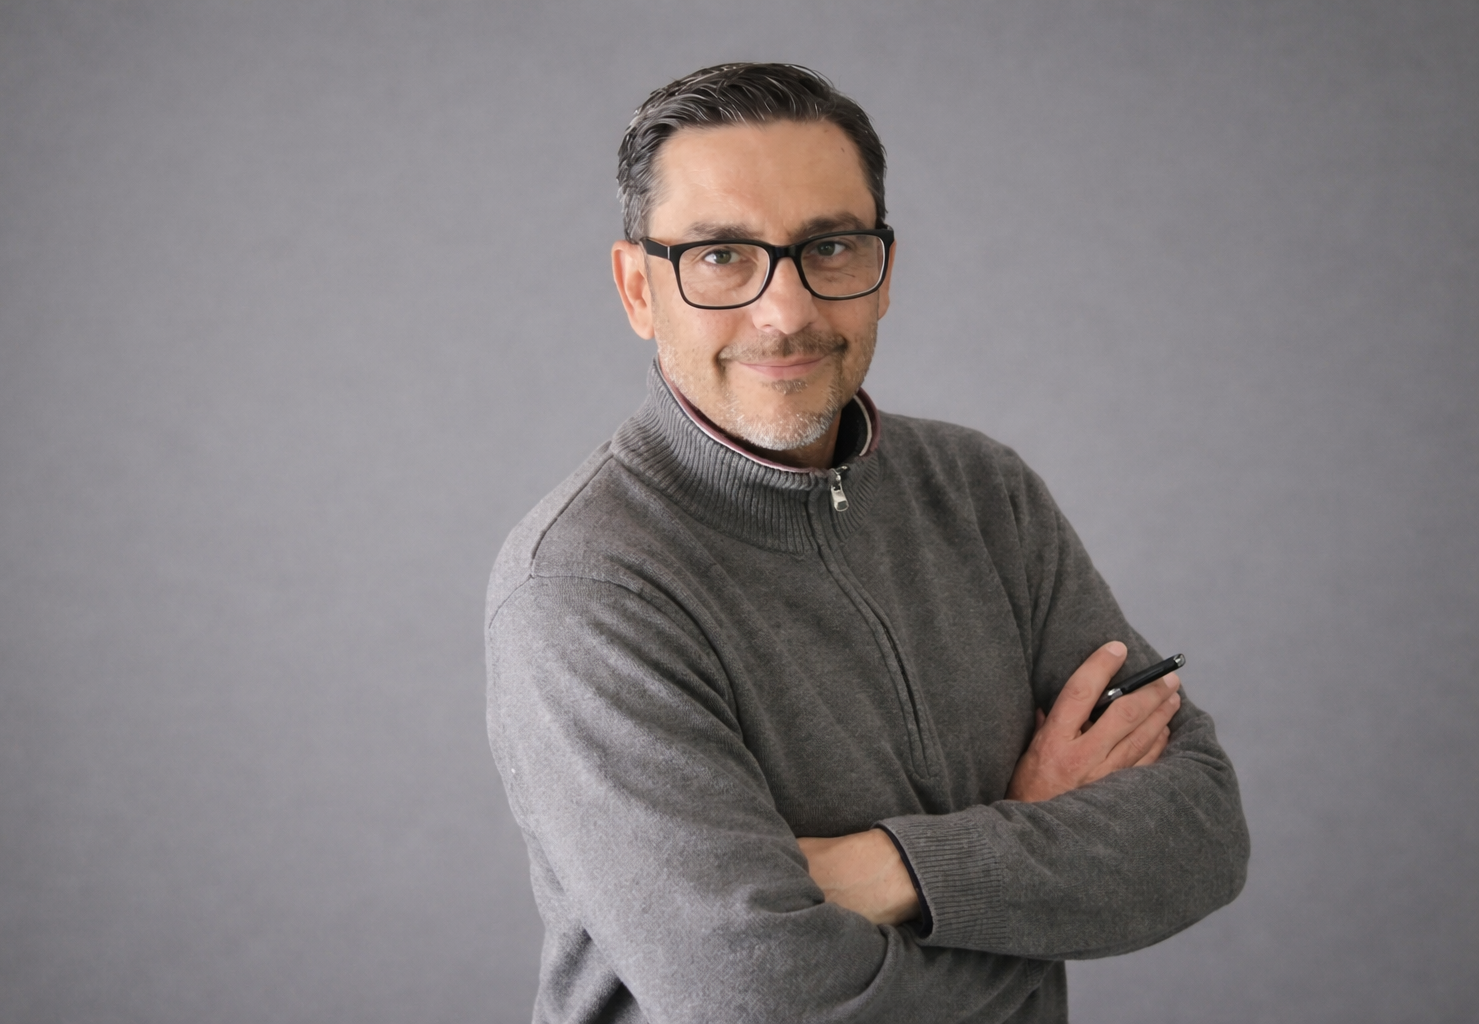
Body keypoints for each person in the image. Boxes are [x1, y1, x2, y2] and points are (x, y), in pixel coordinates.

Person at [485, 62, 1248, 1024]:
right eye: (722, 255)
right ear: (640, 288)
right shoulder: (587, 583)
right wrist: (1033, 859)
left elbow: (1203, 834)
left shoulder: (982, 494)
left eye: (830, 247)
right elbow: (757, 997)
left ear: (883, 269)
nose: (787, 311)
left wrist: (892, 872)